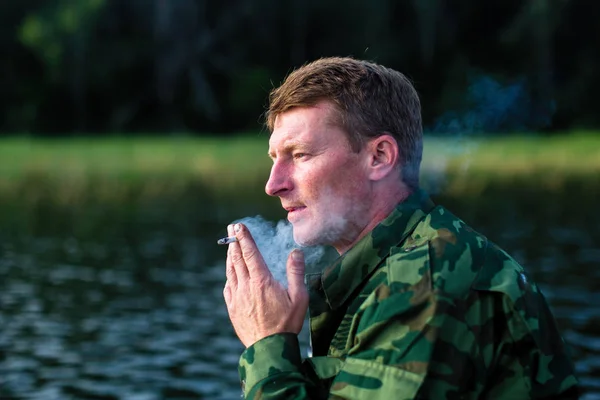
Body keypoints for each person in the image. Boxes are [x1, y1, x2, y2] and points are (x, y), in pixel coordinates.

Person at [222, 56, 579, 399]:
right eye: (274, 159)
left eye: (299, 155)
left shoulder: (424, 284)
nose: (273, 185)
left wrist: (267, 344)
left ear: (379, 157)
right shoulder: (401, 268)